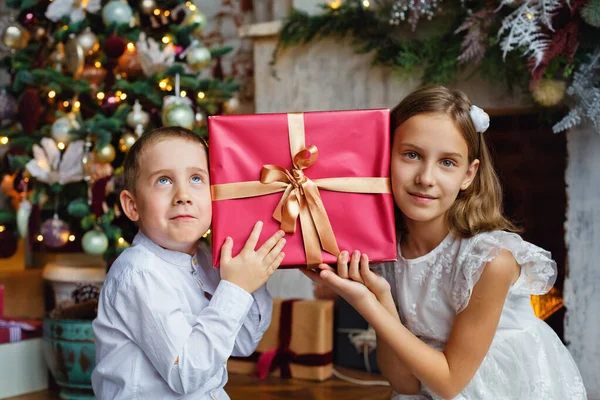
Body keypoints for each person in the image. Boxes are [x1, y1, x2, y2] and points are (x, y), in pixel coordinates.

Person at [304, 86, 587, 399]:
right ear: (384, 158)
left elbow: (450, 384)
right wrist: (379, 296)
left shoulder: (490, 261)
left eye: (447, 163)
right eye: (411, 155)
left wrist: (366, 303)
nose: (426, 177)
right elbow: (405, 384)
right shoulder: (386, 253)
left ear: (469, 174)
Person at [92, 126, 286, 399]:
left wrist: (251, 282)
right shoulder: (139, 273)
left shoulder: (208, 258)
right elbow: (186, 373)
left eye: (196, 178)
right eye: (163, 181)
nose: (183, 194)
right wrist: (236, 290)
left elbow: (242, 342)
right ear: (132, 206)